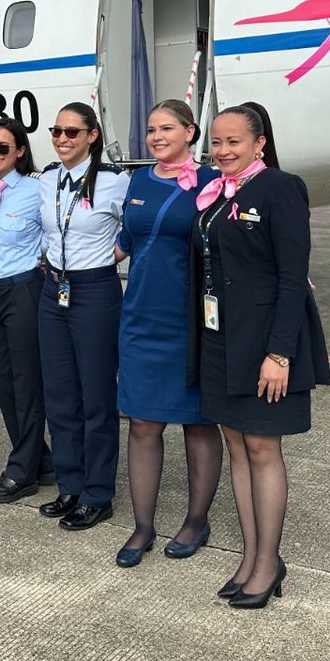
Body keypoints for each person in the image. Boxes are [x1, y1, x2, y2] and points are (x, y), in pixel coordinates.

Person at [189, 102, 330, 608]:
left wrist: (280, 353)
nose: (222, 151)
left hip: (263, 341)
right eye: (217, 142)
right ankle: (250, 556)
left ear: (259, 144)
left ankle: (268, 563)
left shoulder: (279, 188)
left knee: (263, 449)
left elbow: (293, 277)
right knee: (237, 449)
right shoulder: (214, 195)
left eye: (234, 142)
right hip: (220, 339)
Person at [112, 99, 223, 568]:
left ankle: (197, 520)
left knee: (198, 423)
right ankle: (142, 526)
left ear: (189, 132)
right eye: (151, 129)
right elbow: (125, 242)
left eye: (166, 129)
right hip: (140, 318)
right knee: (142, 424)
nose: (156, 137)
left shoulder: (212, 182)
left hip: (190, 322)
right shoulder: (138, 180)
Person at [36, 101, 129, 530]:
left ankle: (97, 493)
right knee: (59, 396)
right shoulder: (47, 180)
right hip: (54, 290)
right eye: (56, 131)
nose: (62, 139)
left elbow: (137, 228)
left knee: (96, 398)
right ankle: (70, 485)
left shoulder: (115, 181)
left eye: (72, 132)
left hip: (94, 290)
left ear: (92, 136)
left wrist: (110, 256)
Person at [0, 117, 54, 503]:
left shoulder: (37, 187)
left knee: (26, 382)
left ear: (20, 151)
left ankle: (22, 471)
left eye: (3, 147)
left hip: (22, 290)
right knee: (3, 384)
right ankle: (41, 460)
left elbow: (54, 233)